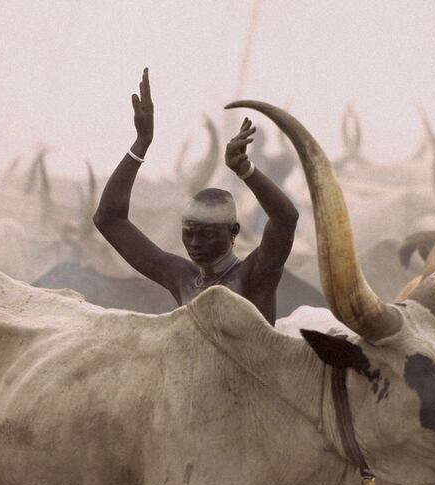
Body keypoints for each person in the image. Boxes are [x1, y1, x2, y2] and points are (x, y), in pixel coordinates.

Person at [93, 68, 298, 325]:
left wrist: (244, 169)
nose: (195, 243)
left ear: (233, 232)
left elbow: (286, 219)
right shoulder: (182, 277)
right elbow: (108, 219)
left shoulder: (254, 275)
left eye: (207, 234)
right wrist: (141, 143)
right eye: (189, 232)